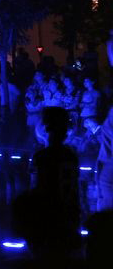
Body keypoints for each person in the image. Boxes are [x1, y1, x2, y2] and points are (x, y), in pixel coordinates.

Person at [31, 106, 81, 248]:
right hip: (68, 215)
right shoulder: (71, 155)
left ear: (45, 128)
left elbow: (36, 187)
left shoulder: (41, 156)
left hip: (47, 215)